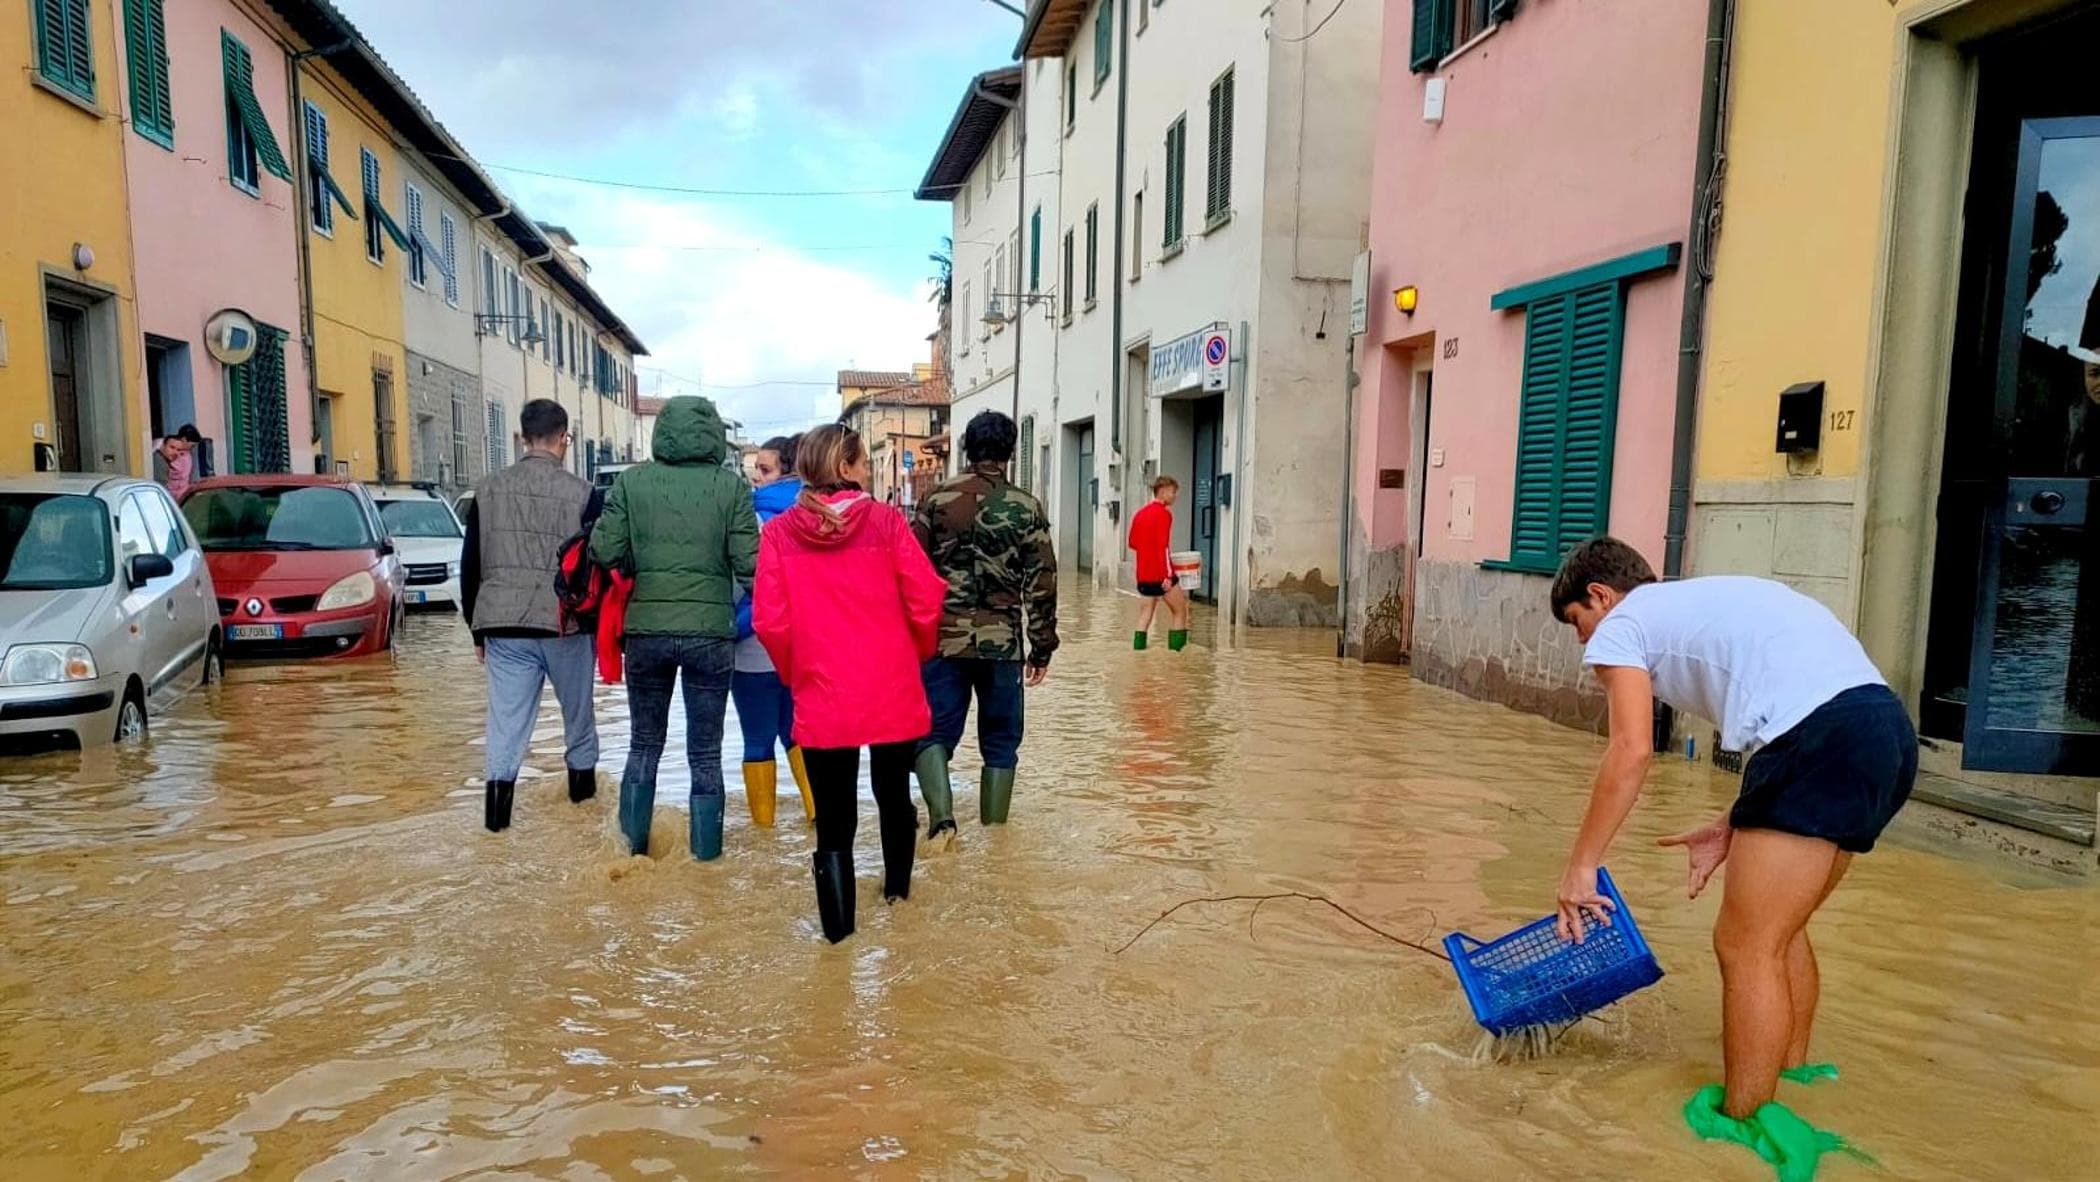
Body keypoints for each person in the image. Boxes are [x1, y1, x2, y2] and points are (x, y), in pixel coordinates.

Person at [1548, 537, 1916, 1130]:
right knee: (1780, 931)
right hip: (1885, 734)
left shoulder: (1625, 624)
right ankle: (1791, 1076)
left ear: (1600, 595)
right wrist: (1734, 822)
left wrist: (1581, 865)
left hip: (1817, 740)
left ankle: (1745, 1122)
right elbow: (1798, 701)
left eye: (1576, 622)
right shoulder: (1704, 603)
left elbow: (1631, 749)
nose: (1584, 641)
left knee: (1745, 947)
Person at [753, 424, 947, 943]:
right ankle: (897, 901)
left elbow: (770, 622)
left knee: (834, 820)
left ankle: (838, 945)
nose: (866, 472)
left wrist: (800, 674)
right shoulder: (886, 524)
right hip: (890, 684)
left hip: (823, 690)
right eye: (862, 463)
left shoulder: (776, 534)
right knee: (893, 794)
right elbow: (927, 598)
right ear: (845, 467)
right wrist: (916, 653)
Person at [590, 395, 759, 861]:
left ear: (661, 431)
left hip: (646, 632)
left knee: (644, 743)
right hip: (710, 634)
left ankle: (629, 855)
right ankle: (706, 864)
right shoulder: (731, 488)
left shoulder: (631, 483)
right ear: (712, 435)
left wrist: (638, 563)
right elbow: (752, 566)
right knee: (705, 753)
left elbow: (603, 551)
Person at [911, 411, 1058, 845]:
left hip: (943, 641)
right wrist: (1042, 645)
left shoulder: (935, 500)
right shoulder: (1026, 506)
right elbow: (1043, 581)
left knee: (932, 733)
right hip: (1002, 644)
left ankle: (942, 821)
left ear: (966, 449)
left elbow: (912, 572)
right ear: (1010, 451)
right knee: (1000, 741)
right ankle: (996, 840)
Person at [461, 399, 604, 833]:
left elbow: (471, 564)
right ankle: (584, 818)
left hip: (502, 626)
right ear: (564, 439)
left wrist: (476, 631)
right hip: (567, 626)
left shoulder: (486, 490)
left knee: (505, 729)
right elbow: (596, 566)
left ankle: (496, 829)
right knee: (578, 723)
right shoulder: (584, 494)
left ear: (523, 438)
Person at [732, 434, 817, 827]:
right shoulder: (816, 515)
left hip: (754, 643)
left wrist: (729, 627)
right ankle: (818, 817)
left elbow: (742, 583)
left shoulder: (752, 520)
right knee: (796, 731)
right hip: (803, 644)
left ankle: (763, 836)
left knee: (756, 739)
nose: (756, 479)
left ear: (787, 470)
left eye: (764, 470)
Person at [1127, 475, 1190, 651]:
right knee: (1180, 611)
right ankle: (1177, 655)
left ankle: (1138, 654)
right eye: (1173, 492)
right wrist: (1168, 576)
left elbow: (1132, 543)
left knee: (1145, 615)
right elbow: (1163, 547)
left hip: (1143, 576)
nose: (1175, 496)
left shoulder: (1140, 514)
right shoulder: (1164, 515)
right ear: (1162, 492)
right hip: (1161, 576)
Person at [155, 425, 203, 501]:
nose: (176, 452)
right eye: (192, 445)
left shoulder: (188, 456)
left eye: (178, 449)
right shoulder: (164, 457)